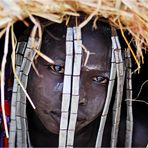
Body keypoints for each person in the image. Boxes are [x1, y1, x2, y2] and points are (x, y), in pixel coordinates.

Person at [6, 18, 148, 147]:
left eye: (99, 79)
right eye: (58, 68)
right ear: (25, 59)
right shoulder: (4, 123)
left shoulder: (133, 139)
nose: (75, 97)